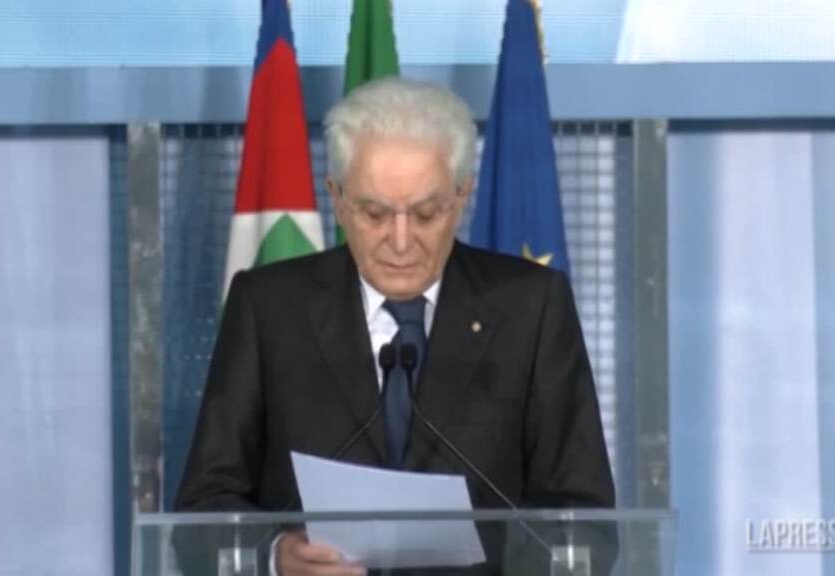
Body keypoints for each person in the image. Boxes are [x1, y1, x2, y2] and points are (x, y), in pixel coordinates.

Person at [175, 77, 615, 576]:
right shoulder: (269, 308)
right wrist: (274, 557)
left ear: (462, 197)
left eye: (425, 214)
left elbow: (586, 522)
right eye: (374, 213)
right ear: (337, 198)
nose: (400, 241)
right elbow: (202, 512)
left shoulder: (531, 308)